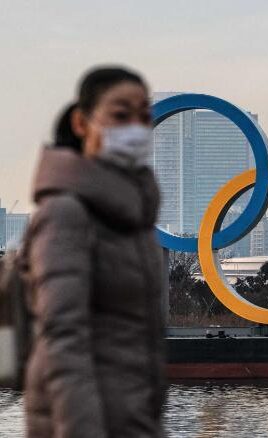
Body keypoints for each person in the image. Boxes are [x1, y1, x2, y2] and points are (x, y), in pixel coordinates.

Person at [23, 67, 166, 437]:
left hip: (131, 421)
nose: (135, 128)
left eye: (144, 117)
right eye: (120, 115)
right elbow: (63, 342)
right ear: (81, 122)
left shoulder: (131, 221)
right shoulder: (66, 213)